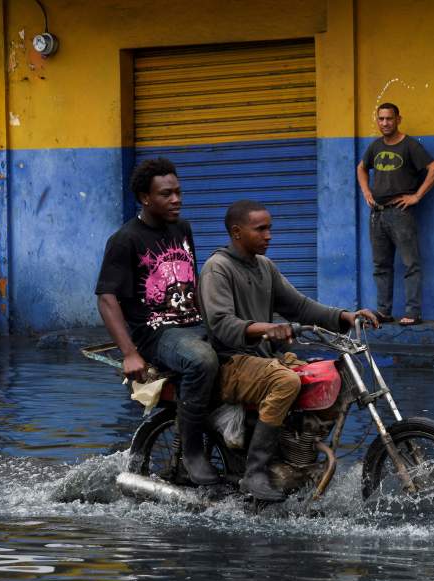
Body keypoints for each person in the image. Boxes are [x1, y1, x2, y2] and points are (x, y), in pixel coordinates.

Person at [199, 199, 379, 502]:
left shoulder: (264, 267)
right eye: (261, 229)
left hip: (260, 359)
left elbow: (299, 306)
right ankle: (255, 471)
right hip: (230, 362)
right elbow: (222, 324)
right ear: (237, 232)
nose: (269, 235)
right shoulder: (218, 268)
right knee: (285, 381)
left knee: (330, 374)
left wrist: (344, 317)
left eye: (270, 228)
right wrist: (266, 329)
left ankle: (299, 455)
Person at [95, 157, 220, 486]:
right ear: (144, 198)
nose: (176, 199)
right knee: (202, 360)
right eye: (166, 194)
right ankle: (193, 451)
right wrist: (130, 353)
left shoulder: (182, 228)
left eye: (178, 192)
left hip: (193, 324)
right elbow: (107, 299)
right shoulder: (125, 240)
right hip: (155, 334)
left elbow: (191, 283)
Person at [356, 102, 434, 326]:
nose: (385, 123)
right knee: (380, 265)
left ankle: (413, 312)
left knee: (410, 264)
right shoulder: (375, 147)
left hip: (400, 213)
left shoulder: (410, 146)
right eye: (381, 119)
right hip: (377, 214)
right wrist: (366, 191)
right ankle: (384, 312)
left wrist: (417, 196)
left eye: (389, 119)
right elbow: (361, 167)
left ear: (398, 119)